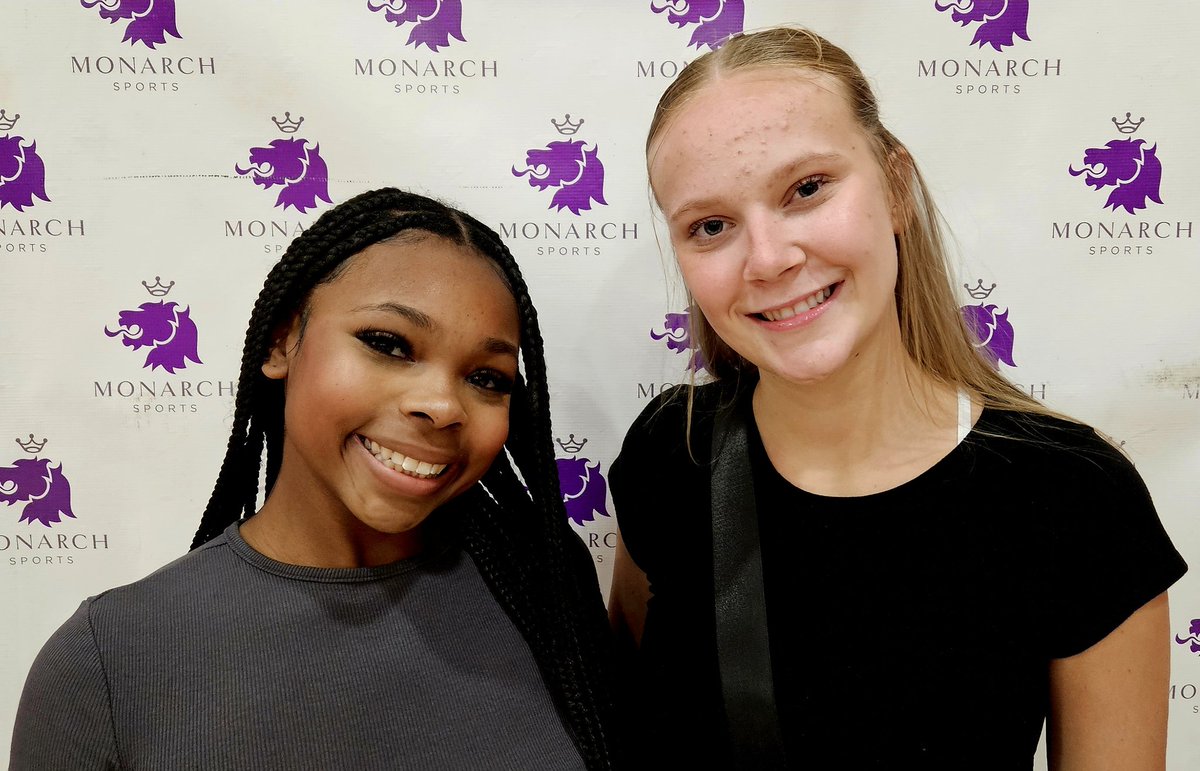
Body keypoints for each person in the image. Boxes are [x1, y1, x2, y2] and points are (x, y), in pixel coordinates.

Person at [607, 27, 1186, 769]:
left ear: (897, 189)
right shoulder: (671, 452)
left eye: (806, 189)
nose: (770, 258)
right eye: (710, 225)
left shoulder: (1074, 499)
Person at [11, 188, 618, 769]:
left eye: (487, 378)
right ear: (282, 342)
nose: (442, 405)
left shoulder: (546, 586)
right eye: (387, 343)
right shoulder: (108, 663)